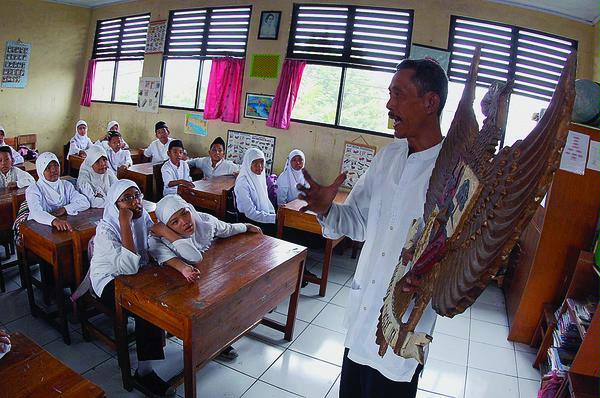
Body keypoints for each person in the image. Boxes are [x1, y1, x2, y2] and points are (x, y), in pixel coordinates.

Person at [298, 59, 448, 398]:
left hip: (404, 327)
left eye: (398, 94)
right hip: (363, 316)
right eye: (389, 94)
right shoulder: (387, 158)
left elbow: (460, 261)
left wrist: (434, 277)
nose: (389, 105)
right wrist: (327, 209)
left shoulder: (453, 173)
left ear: (430, 102)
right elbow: (358, 224)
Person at [148, 194, 262, 360]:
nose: (185, 222)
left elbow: (226, 228)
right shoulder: (157, 241)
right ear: (165, 227)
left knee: (221, 292)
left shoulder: (203, 221)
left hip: (195, 278)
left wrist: (246, 226)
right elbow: (193, 257)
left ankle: (218, 339)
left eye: (185, 213)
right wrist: (166, 233)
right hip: (170, 287)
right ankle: (202, 339)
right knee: (196, 307)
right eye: (174, 222)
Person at [89, 180, 175, 397]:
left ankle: (175, 329)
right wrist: (124, 222)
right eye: (126, 199)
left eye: (136, 196)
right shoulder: (106, 230)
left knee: (170, 285)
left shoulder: (143, 217)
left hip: (136, 274)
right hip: (109, 280)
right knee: (146, 308)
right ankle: (143, 373)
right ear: (115, 205)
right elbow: (128, 267)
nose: (135, 202)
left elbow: (151, 245)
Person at [26, 152, 90, 232]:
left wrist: (64, 209)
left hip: (62, 225)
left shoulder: (66, 185)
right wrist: (54, 221)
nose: (53, 170)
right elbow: (36, 212)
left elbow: (84, 202)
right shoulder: (34, 189)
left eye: (56, 166)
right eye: (48, 168)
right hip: (38, 227)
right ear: (41, 171)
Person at [234, 148, 276, 235]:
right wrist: (273, 218)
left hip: (259, 218)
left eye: (261, 162)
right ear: (248, 164)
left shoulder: (259, 178)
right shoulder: (243, 183)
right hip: (249, 223)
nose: (259, 166)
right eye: (255, 162)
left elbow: (266, 202)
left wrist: (273, 215)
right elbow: (250, 213)